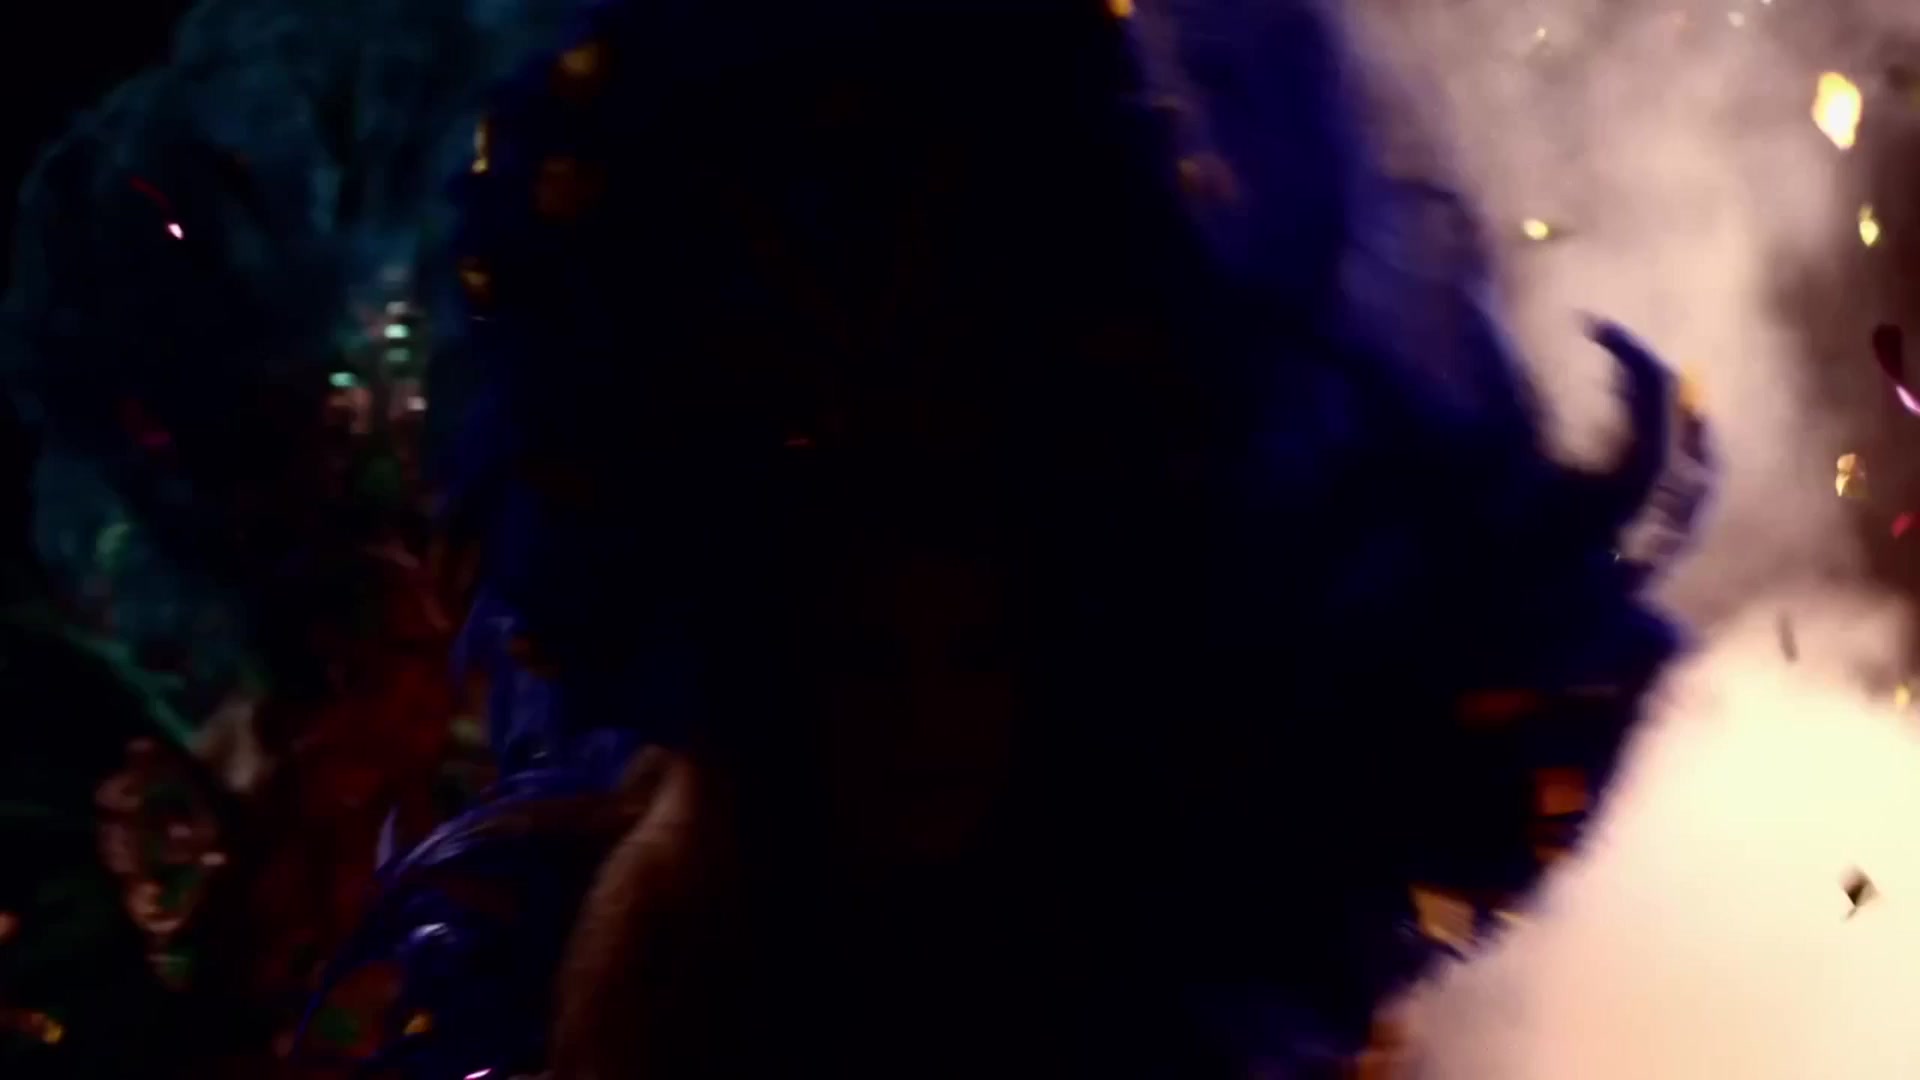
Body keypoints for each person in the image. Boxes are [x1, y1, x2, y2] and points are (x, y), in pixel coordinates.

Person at [307, 1, 1713, 1076]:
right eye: (863, 658)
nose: (925, 715)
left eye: (974, 651)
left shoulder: (1164, 908)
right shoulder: (677, 940)